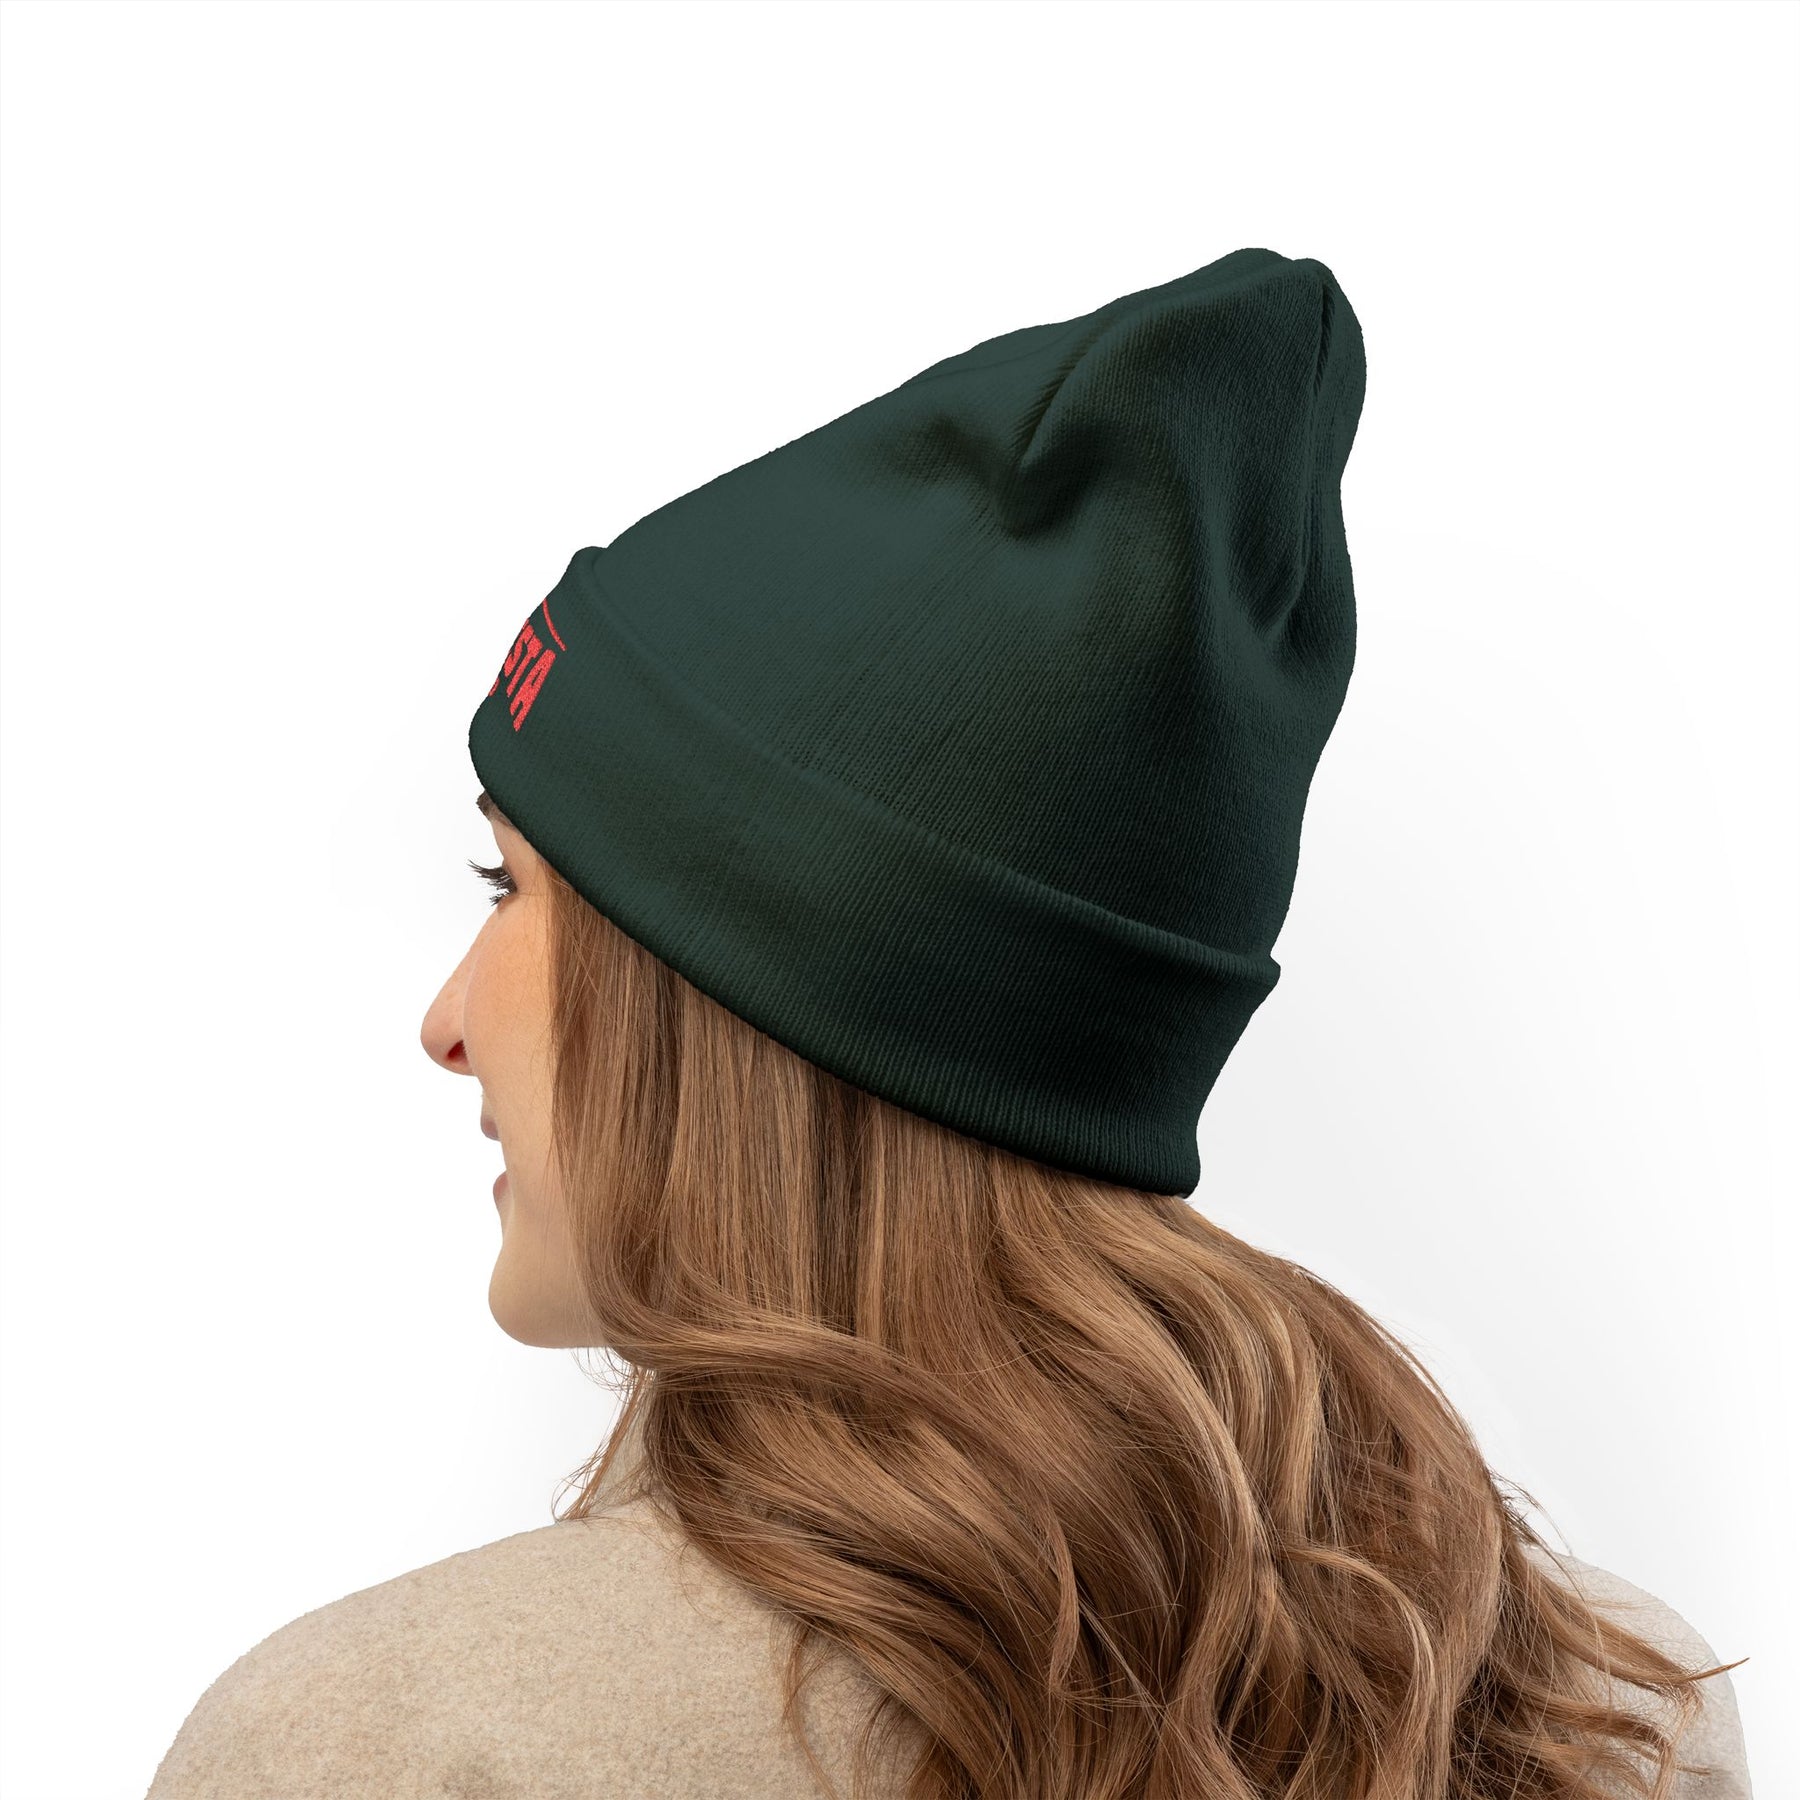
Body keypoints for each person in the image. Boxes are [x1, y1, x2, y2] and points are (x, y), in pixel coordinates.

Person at [146, 249, 1754, 1800]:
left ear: (747, 987)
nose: (447, 1022)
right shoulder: (1598, 1711)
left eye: (511, 887)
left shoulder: (385, 1747)